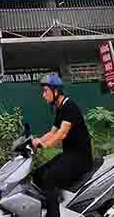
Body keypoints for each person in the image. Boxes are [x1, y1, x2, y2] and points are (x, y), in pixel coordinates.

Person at [30, 73, 94, 217]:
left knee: (49, 179)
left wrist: (45, 146)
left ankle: (53, 214)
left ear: (56, 91)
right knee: (38, 174)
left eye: (45, 91)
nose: (43, 95)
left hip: (80, 158)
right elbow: (52, 132)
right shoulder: (60, 108)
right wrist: (36, 141)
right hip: (69, 155)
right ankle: (53, 204)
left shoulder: (69, 107)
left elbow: (61, 134)